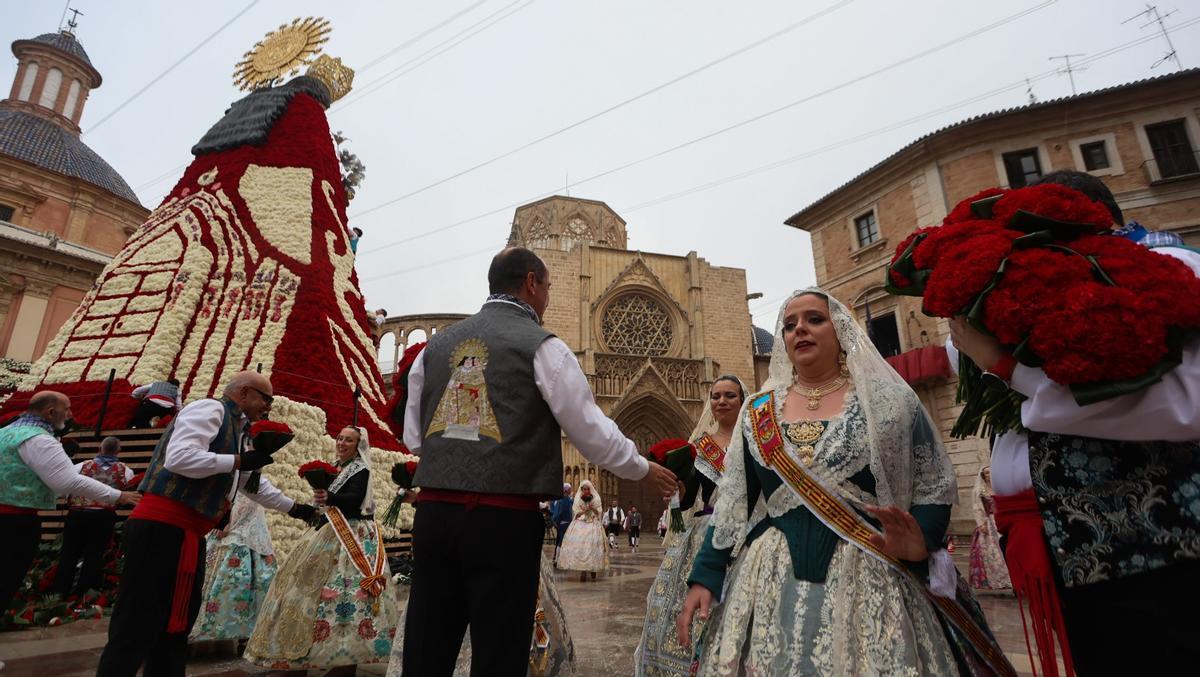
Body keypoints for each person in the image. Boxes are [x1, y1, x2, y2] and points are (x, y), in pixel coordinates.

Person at [946, 169, 1200, 677]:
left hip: (1161, 542)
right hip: (1073, 541)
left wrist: (1007, 367)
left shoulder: (1169, 266)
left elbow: (1183, 401)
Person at [677, 290, 1009, 676]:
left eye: (814, 319)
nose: (799, 328)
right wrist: (705, 575)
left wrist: (922, 539)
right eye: (789, 325)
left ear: (842, 330)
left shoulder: (891, 401)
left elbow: (931, 483)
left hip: (872, 570)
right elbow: (734, 499)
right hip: (770, 577)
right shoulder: (757, 413)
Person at [401, 247, 677, 676]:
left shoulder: (434, 348)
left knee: (426, 644)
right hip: (502, 522)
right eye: (547, 287)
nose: (547, 298)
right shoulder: (543, 347)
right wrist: (641, 466)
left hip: (435, 515)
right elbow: (591, 432)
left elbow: (415, 438)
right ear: (532, 282)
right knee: (499, 649)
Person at [95, 372, 316, 677]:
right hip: (161, 527)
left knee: (176, 624)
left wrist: (298, 509)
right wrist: (238, 460)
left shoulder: (240, 430)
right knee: (138, 621)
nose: (269, 406)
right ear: (244, 393)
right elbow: (180, 458)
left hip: (186, 533)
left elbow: (250, 486)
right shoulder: (210, 410)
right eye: (266, 398)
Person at [246, 425, 400, 672]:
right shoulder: (336, 468)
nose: (342, 443)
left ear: (358, 445)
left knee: (345, 592)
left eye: (349, 440)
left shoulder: (361, 470)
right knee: (302, 587)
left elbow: (354, 500)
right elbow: (326, 502)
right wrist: (309, 507)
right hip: (330, 531)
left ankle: (346, 655)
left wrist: (330, 498)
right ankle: (306, 650)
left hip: (351, 535)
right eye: (340, 438)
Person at [636, 375, 744, 676]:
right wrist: (678, 492)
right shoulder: (700, 447)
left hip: (748, 534)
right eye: (716, 395)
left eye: (730, 396)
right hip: (706, 531)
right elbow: (688, 500)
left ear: (743, 400)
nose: (721, 401)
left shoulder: (755, 442)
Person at [0, 393, 140, 615]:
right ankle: (83, 590)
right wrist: (118, 495)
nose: (71, 414)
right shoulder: (40, 438)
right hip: (14, 522)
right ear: (51, 412)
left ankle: (63, 588)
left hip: (64, 515)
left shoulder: (6, 432)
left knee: (69, 554)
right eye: (67, 408)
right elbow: (67, 481)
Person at [189, 497, 277, 648]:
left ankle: (249, 634)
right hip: (228, 523)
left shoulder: (251, 479)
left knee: (244, 578)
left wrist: (228, 523)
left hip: (245, 527)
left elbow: (250, 498)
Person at [51, 436, 133, 597]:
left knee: (69, 552)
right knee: (95, 554)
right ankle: (86, 593)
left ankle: (60, 591)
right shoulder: (126, 470)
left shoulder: (81, 466)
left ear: (99, 448)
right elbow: (126, 494)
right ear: (118, 450)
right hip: (103, 516)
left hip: (77, 513)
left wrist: (72, 499)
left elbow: (64, 488)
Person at [556, 480, 609, 582]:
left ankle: (593, 569)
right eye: (584, 489)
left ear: (590, 489)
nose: (586, 491)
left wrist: (592, 508)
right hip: (581, 522)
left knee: (593, 545)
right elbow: (575, 513)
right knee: (580, 546)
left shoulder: (596, 499)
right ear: (582, 490)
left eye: (588, 489)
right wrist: (582, 511)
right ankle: (583, 571)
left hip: (592, 523)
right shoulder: (578, 500)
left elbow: (599, 512)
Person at [968, 465, 1010, 591]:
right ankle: (998, 580)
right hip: (990, 522)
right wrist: (982, 523)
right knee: (993, 552)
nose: (989, 475)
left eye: (991, 472)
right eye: (986, 473)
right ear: (983, 475)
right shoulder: (979, 490)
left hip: (1002, 520)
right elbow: (977, 507)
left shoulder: (999, 488)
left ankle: (1012, 580)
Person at [550, 482, 574, 564]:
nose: (570, 491)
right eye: (569, 490)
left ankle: (558, 558)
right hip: (564, 523)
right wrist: (556, 521)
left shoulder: (563, 499)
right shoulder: (566, 499)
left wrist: (555, 521)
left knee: (560, 540)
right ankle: (557, 559)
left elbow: (558, 512)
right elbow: (561, 511)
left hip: (561, 523)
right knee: (561, 541)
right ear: (567, 490)